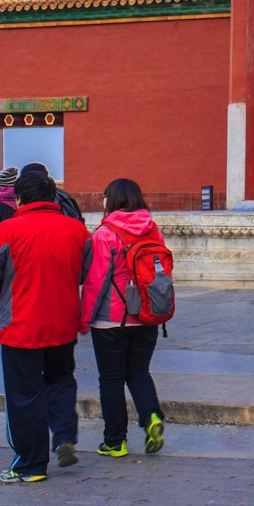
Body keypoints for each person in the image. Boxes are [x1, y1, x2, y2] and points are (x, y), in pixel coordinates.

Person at [0, 164, 90, 485]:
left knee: (24, 394)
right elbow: (87, 271)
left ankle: (30, 464)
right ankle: (64, 433)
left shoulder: (7, 231)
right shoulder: (76, 230)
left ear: (20, 198)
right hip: (63, 323)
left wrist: (5, 293)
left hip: (21, 325)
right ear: (53, 196)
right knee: (61, 380)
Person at [81, 177, 166, 458]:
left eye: (104, 196)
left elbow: (95, 281)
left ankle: (115, 441)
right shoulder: (152, 229)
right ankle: (152, 415)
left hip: (111, 319)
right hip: (147, 314)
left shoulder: (105, 233)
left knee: (111, 379)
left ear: (113, 199)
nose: (102, 202)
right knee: (139, 372)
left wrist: (84, 319)